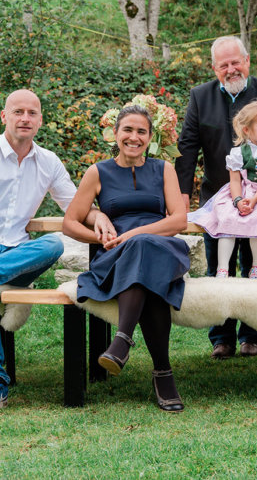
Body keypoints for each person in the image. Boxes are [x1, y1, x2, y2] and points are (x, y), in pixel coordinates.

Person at [0, 89, 114, 413]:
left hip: (16, 255)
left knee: (54, 242)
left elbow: (76, 206)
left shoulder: (48, 162)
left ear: (40, 120)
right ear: (4, 116)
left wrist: (100, 218)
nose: (25, 118)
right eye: (18, 112)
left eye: (32, 112)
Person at [63, 105, 190, 412]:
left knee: (144, 248)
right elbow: (70, 222)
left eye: (141, 132)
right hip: (117, 255)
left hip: (161, 249)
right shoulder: (98, 172)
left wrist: (136, 234)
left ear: (151, 136)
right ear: (115, 134)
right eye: (128, 130)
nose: (134, 137)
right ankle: (163, 373)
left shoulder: (164, 169)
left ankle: (121, 342)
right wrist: (98, 234)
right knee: (148, 279)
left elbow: (179, 220)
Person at [175, 35, 257, 359]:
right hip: (218, 200)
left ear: (247, 61)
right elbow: (187, 149)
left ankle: (251, 336)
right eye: (224, 65)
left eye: (236, 62)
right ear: (214, 68)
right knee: (219, 268)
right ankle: (221, 337)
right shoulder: (200, 96)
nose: (231, 69)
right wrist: (182, 196)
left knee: (254, 266)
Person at [188, 101, 257, 279]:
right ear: (247, 130)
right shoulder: (238, 153)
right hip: (239, 192)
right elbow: (235, 180)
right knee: (227, 217)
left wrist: (254, 201)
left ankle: (256, 267)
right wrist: (238, 200)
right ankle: (222, 268)